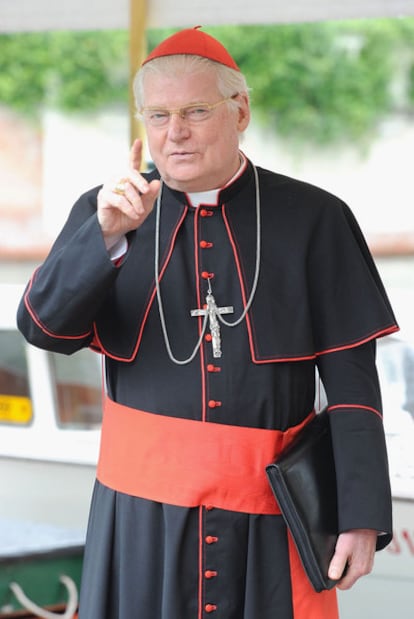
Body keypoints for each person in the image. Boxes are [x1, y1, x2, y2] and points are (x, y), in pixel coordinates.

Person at [17, 27, 399, 619]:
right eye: (160, 115)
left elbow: (353, 389)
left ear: (239, 110)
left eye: (196, 110)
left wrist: (361, 516)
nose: (176, 132)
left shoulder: (315, 218)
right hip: (142, 516)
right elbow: (43, 329)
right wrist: (107, 239)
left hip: (273, 519)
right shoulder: (110, 210)